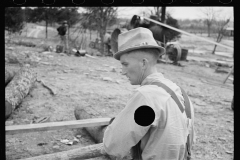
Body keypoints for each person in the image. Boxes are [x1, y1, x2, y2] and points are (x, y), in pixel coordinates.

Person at [102, 27, 195, 160]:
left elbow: (113, 146)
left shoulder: (147, 96)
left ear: (143, 63)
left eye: (125, 64)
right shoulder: (180, 92)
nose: (122, 71)